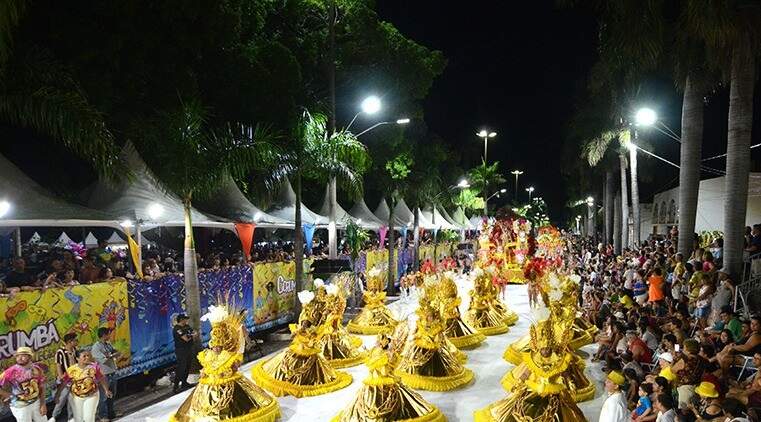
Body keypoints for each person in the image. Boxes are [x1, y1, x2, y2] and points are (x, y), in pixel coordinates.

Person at [54, 350, 112, 422]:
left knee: (88, 417)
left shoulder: (94, 367)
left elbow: (101, 378)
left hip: (92, 395)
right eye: (84, 356)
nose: (87, 358)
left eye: (88, 356)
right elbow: (64, 383)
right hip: (77, 397)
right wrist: (58, 395)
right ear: (78, 358)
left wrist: (106, 390)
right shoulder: (71, 370)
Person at [0, 347, 46, 422]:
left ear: (30, 357)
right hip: (20, 406)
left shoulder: (37, 369)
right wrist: (9, 395)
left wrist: (43, 404)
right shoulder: (11, 371)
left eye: (23, 355)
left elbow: (41, 386)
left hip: (36, 402)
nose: (20, 358)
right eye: (18, 356)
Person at [91, 328, 118, 421]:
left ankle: (111, 413)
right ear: (104, 335)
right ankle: (102, 415)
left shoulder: (108, 344)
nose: (110, 336)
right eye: (108, 334)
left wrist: (112, 354)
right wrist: (110, 355)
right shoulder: (96, 347)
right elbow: (104, 359)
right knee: (103, 397)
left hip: (112, 372)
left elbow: (115, 352)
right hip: (104, 375)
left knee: (112, 395)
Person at [50, 333, 78, 421]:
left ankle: (71, 418)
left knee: (72, 399)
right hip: (65, 380)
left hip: (74, 379)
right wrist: (61, 376)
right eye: (75, 340)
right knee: (62, 399)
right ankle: (54, 417)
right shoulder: (60, 352)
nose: (77, 342)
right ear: (70, 342)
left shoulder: (74, 350)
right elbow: (58, 365)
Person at [172, 314, 196, 393]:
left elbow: (194, 332)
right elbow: (186, 338)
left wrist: (191, 335)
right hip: (181, 350)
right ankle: (175, 386)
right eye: (185, 319)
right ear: (181, 320)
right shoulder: (177, 329)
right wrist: (191, 335)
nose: (186, 321)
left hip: (188, 348)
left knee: (187, 366)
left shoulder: (187, 326)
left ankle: (184, 383)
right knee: (181, 367)